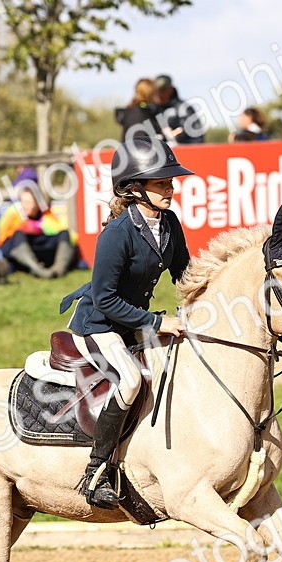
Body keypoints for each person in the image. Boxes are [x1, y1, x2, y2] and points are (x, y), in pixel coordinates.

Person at [58, 135, 190, 508]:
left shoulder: (168, 224)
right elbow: (105, 299)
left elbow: (185, 274)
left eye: (170, 182)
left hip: (132, 322)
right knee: (131, 380)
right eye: (161, 183)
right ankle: (96, 471)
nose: (170, 189)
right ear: (135, 189)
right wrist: (155, 322)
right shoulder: (117, 235)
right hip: (99, 325)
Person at [0, 185, 77, 278]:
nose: (24, 206)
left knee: (64, 233)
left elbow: (61, 231)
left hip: (46, 250)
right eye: (23, 202)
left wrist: (34, 227)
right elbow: (4, 244)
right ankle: (39, 271)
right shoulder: (13, 217)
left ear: (38, 203)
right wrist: (23, 226)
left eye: (28, 202)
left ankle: (58, 270)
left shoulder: (47, 216)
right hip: (25, 253)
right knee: (19, 234)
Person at [152, 74, 205, 144]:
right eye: (157, 91)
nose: (160, 94)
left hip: (182, 151)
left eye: (163, 90)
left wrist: (179, 138)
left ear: (170, 89)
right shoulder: (153, 109)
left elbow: (197, 136)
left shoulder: (182, 108)